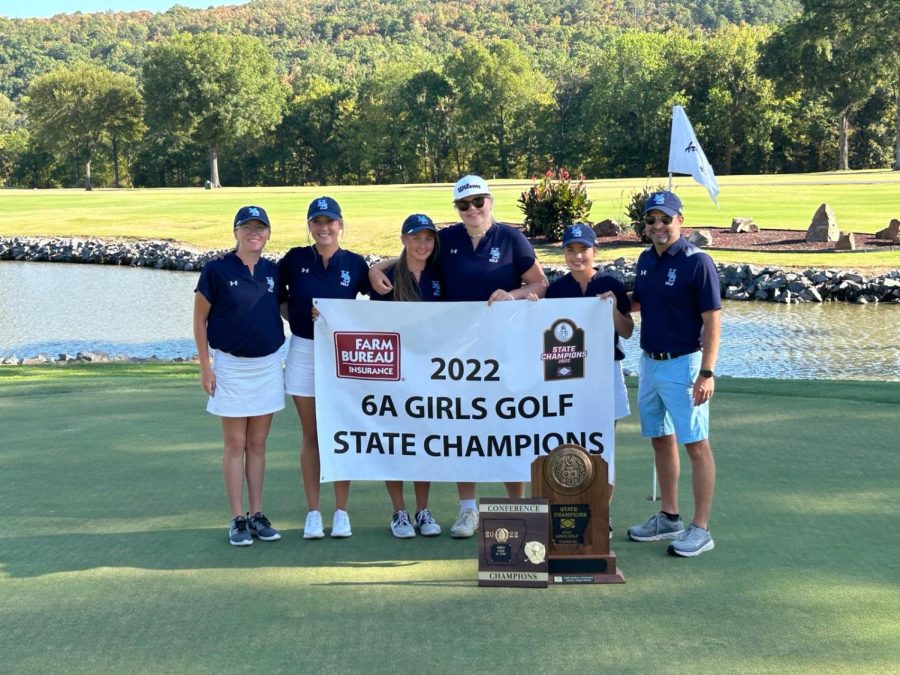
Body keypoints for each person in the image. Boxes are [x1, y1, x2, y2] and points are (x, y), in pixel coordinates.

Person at [371, 175, 548, 538]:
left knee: (508, 427)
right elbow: (412, 255)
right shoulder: (448, 239)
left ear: (490, 201)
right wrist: (376, 268)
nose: (472, 210)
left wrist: (513, 295)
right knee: (463, 428)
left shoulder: (511, 238)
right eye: (464, 205)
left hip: (504, 349)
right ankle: (468, 510)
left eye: (478, 202)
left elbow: (540, 283)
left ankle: (514, 506)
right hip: (457, 353)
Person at [626, 190, 721, 557]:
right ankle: (669, 517)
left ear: (680, 221)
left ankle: (701, 528)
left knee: (696, 445)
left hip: (685, 365)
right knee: (660, 439)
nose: (658, 226)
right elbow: (641, 301)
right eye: (651, 220)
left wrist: (707, 373)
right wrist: (603, 299)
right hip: (649, 363)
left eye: (665, 219)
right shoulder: (646, 259)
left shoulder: (699, 262)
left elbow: (713, 321)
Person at [279, 196, 372, 540]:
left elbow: (376, 303)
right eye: (317, 222)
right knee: (312, 435)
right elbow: (280, 300)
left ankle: (341, 511)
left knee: (338, 431)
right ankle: (314, 512)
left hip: (340, 355)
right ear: (309, 226)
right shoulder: (294, 259)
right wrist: (308, 322)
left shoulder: (356, 264)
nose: (324, 228)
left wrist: (336, 324)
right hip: (303, 350)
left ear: (340, 224)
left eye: (329, 222)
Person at [193, 205, 285, 547]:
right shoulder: (216, 270)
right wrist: (206, 365)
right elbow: (199, 320)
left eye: (260, 228)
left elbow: (284, 308)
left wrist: (322, 312)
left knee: (258, 444)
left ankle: (257, 514)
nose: (254, 234)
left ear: (268, 234)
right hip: (230, 366)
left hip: (267, 366)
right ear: (236, 232)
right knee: (235, 444)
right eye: (247, 228)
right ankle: (237, 518)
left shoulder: (273, 271)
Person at [538, 223, 634, 532]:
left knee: (602, 447)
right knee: (567, 445)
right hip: (568, 377)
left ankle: (600, 515)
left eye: (583, 250)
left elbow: (627, 331)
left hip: (606, 373)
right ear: (564, 252)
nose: (577, 256)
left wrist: (612, 308)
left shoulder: (610, 284)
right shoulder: (556, 290)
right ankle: (570, 512)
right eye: (571, 250)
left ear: (595, 251)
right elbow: (544, 334)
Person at [370, 213, 443, 538]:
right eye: (416, 238)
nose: (422, 244)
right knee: (395, 441)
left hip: (431, 371)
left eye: (428, 238)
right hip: (394, 372)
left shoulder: (442, 273)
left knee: (423, 440)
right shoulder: (386, 278)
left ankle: (422, 510)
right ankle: (398, 512)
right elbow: (360, 317)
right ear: (404, 239)